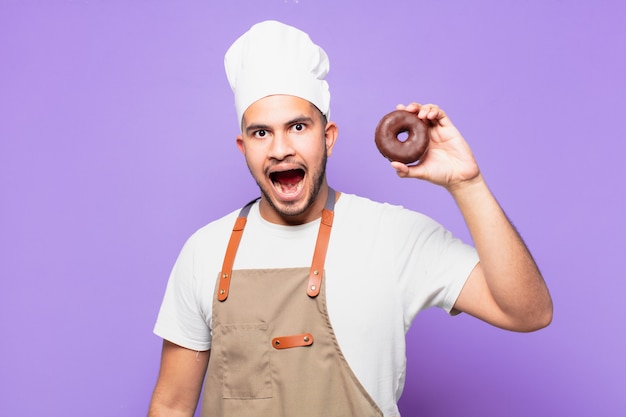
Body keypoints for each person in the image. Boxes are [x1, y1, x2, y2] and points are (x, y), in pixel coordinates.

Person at [147, 20, 552, 417]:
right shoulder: (205, 252)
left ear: (328, 137)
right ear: (243, 147)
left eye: (298, 126)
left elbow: (528, 312)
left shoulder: (395, 236)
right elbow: (171, 406)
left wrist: (468, 184)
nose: (280, 149)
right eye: (261, 133)